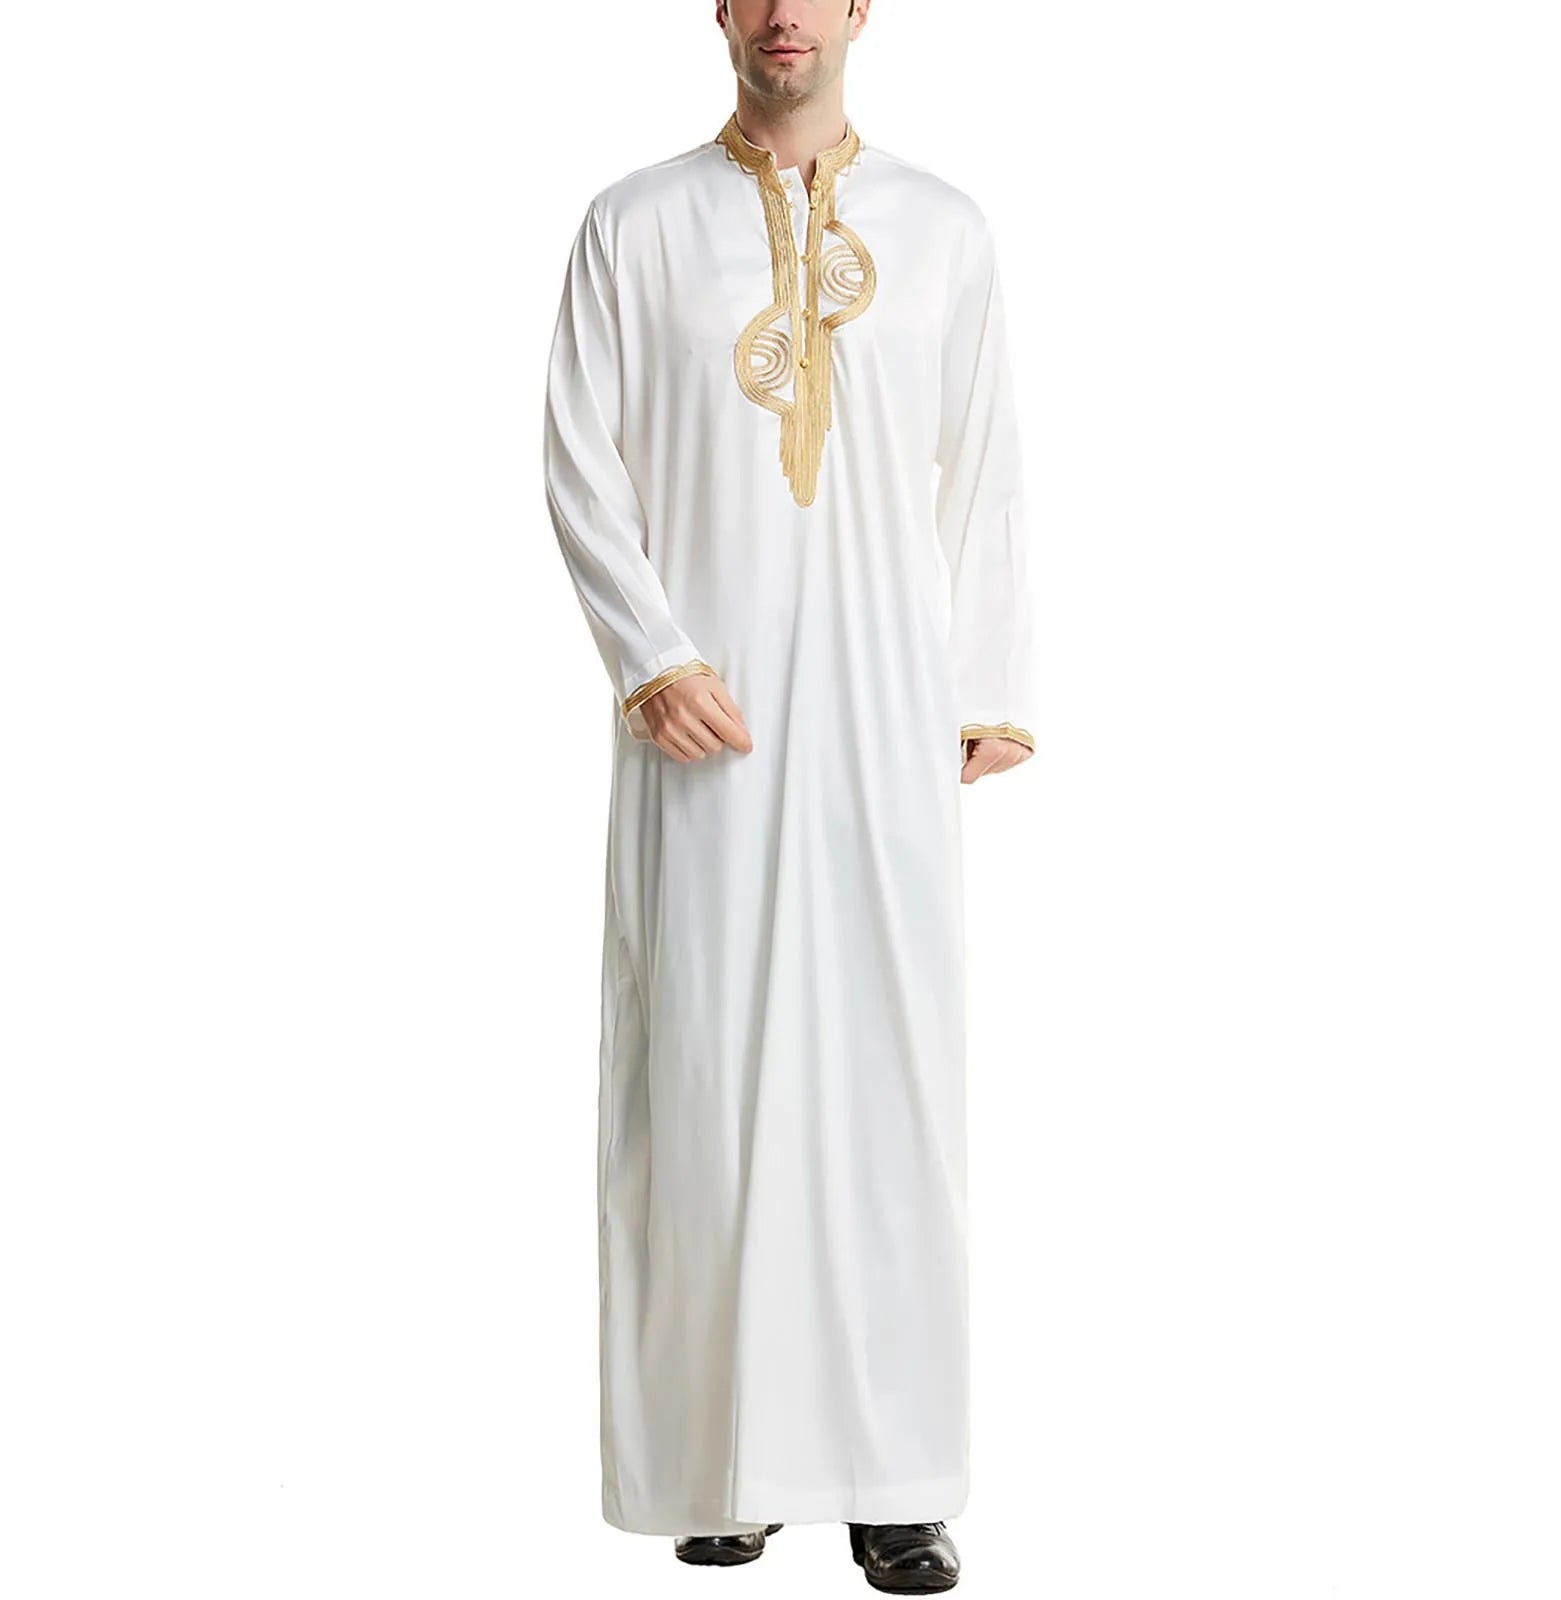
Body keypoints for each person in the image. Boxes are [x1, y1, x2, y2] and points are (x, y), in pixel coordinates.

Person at [542, 1, 1036, 1590]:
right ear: (719, 5)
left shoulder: (945, 232)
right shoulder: (633, 227)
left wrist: (983, 685)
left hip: (885, 726)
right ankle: (720, 1465)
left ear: (861, 8)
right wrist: (651, 658)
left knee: (888, 1086)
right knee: (701, 1079)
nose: (782, 16)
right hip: (709, 726)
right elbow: (578, 461)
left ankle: (898, 1478)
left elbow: (987, 466)